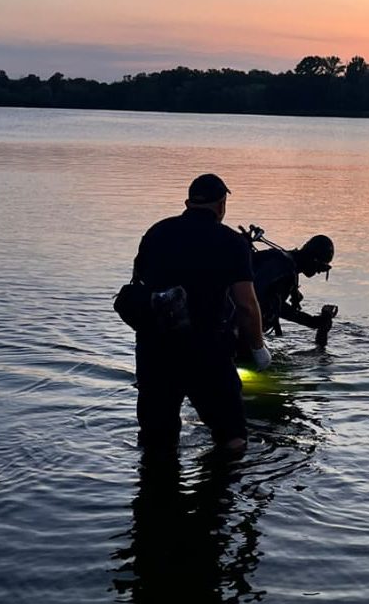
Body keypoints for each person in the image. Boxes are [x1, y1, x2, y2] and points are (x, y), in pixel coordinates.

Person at [130, 173, 269, 454]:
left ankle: (155, 491)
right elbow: (246, 305)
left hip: (155, 350)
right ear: (221, 205)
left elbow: (139, 286)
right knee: (232, 436)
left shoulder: (157, 232)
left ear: (188, 202)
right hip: (206, 351)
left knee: (156, 437)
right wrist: (257, 348)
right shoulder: (232, 242)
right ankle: (220, 490)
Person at [250, 234, 339, 349]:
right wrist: (312, 322)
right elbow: (266, 303)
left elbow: (274, 305)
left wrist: (314, 322)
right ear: (313, 259)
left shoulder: (287, 264)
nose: (318, 272)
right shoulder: (285, 268)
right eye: (320, 267)